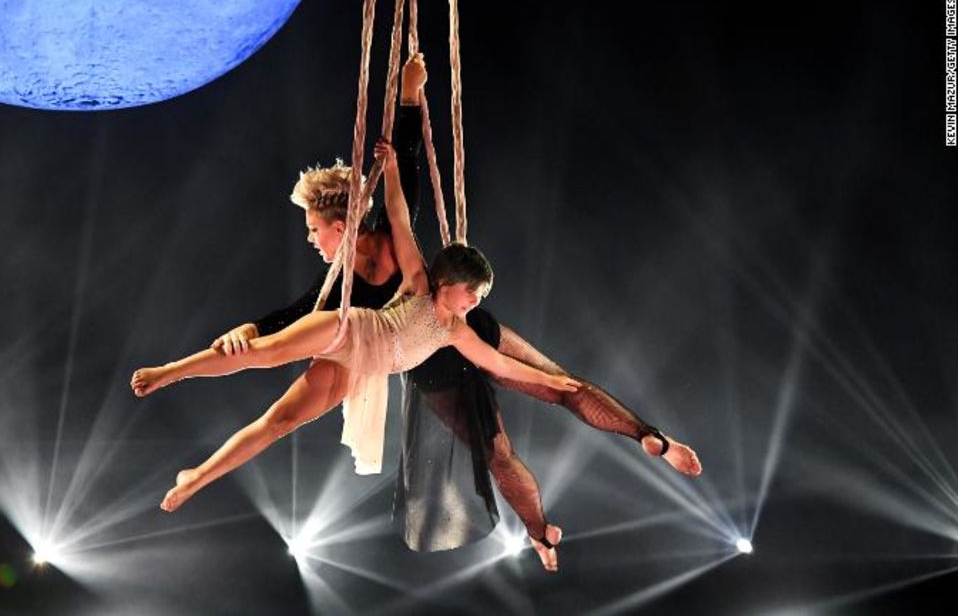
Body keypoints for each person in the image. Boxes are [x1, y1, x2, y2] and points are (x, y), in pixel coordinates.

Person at [210, 55, 701, 570]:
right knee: (523, 426)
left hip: (455, 341)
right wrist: (253, 328)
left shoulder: (387, 240)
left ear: (341, 223)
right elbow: (297, 313)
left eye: (314, 229)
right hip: (440, 363)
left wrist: (407, 95)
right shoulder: (340, 284)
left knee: (539, 410)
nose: (312, 240)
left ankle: (646, 444)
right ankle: (552, 523)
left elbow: (402, 169)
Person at [131, 134, 582, 565]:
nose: (475, 305)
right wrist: (388, 169)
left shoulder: (457, 331)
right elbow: (399, 211)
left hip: (371, 364)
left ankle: (198, 474)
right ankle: (172, 374)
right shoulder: (408, 282)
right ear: (451, 285)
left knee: (282, 420)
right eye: (473, 296)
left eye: (313, 229)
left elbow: (499, 362)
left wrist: (552, 381)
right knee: (264, 355)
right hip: (353, 334)